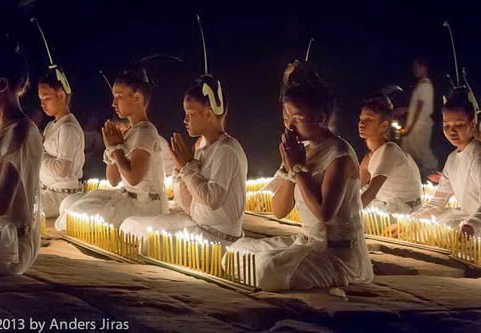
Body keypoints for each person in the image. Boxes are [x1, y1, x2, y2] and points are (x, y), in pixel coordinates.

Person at [227, 64, 373, 291]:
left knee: (267, 270)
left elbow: (325, 214)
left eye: (297, 117)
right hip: (306, 243)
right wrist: (289, 169)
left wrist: (297, 169)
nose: (289, 124)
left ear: (320, 118)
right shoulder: (301, 149)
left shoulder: (340, 155)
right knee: (236, 251)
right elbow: (279, 210)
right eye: (286, 116)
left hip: (336, 254)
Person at [120, 75, 248, 245]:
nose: (185, 120)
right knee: (132, 225)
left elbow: (212, 200)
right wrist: (180, 170)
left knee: (141, 232)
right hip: (200, 227)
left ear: (209, 114)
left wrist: (187, 167)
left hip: (218, 238)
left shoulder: (226, 150)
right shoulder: (204, 149)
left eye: (190, 114)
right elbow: (190, 206)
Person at [54, 63, 168, 230]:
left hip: (145, 205)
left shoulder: (146, 131)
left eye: (119, 96)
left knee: (73, 217)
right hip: (128, 197)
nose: (113, 103)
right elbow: (113, 180)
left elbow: (134, 178)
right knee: (69, 204)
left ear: (137, 97)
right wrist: (112, 148)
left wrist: (116, 149)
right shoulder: (131, 132)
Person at [0, 35, 43, 276]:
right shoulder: (2, 129)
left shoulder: (21, 131)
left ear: (1, 84)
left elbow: (1, 206)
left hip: (5, 248)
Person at [414, 88, 481, 237]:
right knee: (441, 217)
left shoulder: (478, 158)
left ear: (472, 124)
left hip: (475, 226)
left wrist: (471, 226)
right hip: (468, 223)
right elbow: (438, 201)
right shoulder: (452, 159)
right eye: (447, 126)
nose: (452, 131)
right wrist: (410, 221)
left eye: (459, 125)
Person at [358, 94, 422, 214]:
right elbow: (354, 188)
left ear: (384, 126)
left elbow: (371, 192)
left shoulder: (390, 151)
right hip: (387, 206)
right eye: (361, 119)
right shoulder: (368, 159)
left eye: (369, 119)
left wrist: (345, 218)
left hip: (404, 212)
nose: (362, 123)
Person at [38, 71, 85, 218]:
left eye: (46, 98)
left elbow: (61, 170)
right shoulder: (51, 126)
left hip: (60, 197)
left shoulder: (68, 128)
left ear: (61, 95)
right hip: (45, 192)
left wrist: (39, 152)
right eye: (40, 99)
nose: (42, 103)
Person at [400, 58, 438, 179]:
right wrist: (405, 110)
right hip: (415, 125)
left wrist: (409, 127)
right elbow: (416, 106)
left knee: (422, 152)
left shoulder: (426, 85)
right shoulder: (421, 84)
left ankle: (434, 175)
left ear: (424, 68)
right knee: (411, 151)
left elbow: (420, 107)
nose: (414, 70)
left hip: (419, 126)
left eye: (417, 67)